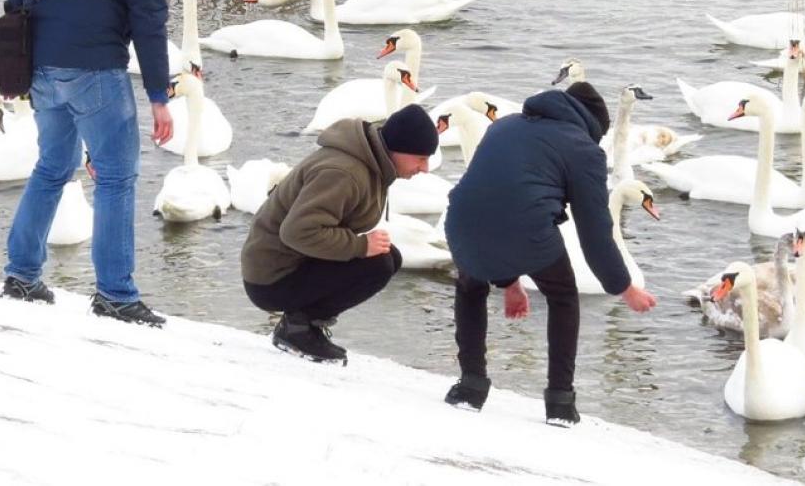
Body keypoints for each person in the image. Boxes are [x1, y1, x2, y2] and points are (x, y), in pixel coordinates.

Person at [0, 0, 173, 327]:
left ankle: (21, 275)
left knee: (53, 165)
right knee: (117, 178)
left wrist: (23, 52)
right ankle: (116, 294)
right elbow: (149, 15)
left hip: (42, 65)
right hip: (94, 68)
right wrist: (159, 94)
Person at [442, 81, 658, 426]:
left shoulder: (504, 126)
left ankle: (471, 386)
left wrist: (510, 282)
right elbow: (594, 233)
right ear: (592, 127)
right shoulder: (584, 150)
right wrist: (624, 287)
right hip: (525, 230)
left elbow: (495, 198)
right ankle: (560, 402)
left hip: (460, 223)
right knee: (562, 296)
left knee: (470, 286)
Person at [241, 104, 438, 366]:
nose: (425, 168)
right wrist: (359, 246)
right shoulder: (344, 173)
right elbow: (297, 232)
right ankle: (297, 330)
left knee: (388, 257)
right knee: (379, 263)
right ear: (398, 148)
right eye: (421, 158)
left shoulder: (371, 162)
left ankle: (303, 324)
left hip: (292, 262)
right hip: (270, 277)